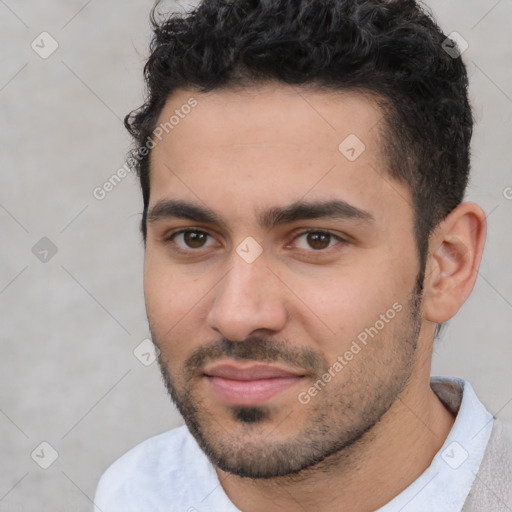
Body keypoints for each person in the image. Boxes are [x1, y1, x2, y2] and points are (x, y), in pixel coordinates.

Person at [94, 0, 512, 510]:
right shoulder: (133, 493)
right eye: (194, 238)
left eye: (317, 239)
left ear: (447, 265)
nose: (238, 315)